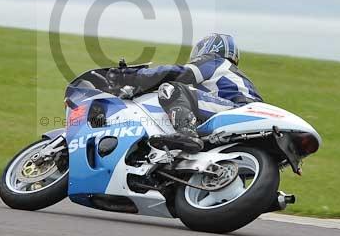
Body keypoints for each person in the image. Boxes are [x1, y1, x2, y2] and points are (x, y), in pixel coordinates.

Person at [109, 33, 263, 152]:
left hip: (238, 109)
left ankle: (186, 133)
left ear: (210, 47)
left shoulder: (214, 60)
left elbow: (180, 73)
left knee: (171, 88)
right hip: (250, 117)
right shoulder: (226, 73)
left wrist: (133, 76)